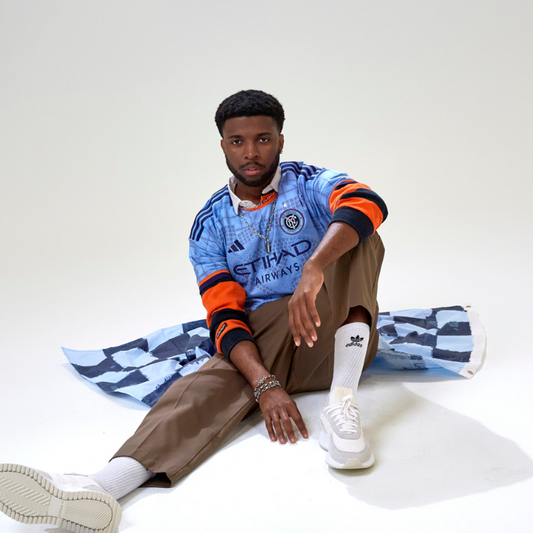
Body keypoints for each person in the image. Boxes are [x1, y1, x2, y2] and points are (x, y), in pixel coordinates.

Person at [0, 90, 387, 533]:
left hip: (335, 332)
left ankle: (342, 405)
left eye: (263, 139)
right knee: (204, 386)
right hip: (272, 340)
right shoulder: (209, 225)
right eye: (237, 141)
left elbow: (368, 201)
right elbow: (225, 318)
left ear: (280, 141)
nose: (251, 152)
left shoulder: (310, 181)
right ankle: (99, 488)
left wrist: (313, 268)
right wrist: (264, 384)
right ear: (223, 146)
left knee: (359, 234)